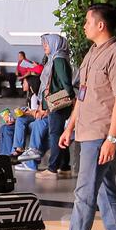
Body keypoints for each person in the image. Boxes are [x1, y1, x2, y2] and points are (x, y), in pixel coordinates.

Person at [49, 4, 116, 230]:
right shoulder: (92, 53)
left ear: (101, 25)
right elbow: (83, 95)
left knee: (85, 191)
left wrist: (112, 139)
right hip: (86, 131)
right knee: (104, 189)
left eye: (88, 21)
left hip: (101, 134)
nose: (84, 25)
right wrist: (69, 127)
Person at [31, 33, 75, 178]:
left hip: (58, 103)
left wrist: (70, 97)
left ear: (55, 44)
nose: (44, 46)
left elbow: (66, 83)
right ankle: (64, 166)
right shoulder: (56, 58)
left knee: (55, 134)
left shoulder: (58, 59)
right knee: (60, 133)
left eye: (47, 44)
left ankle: (52, 168)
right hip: (57, 103)